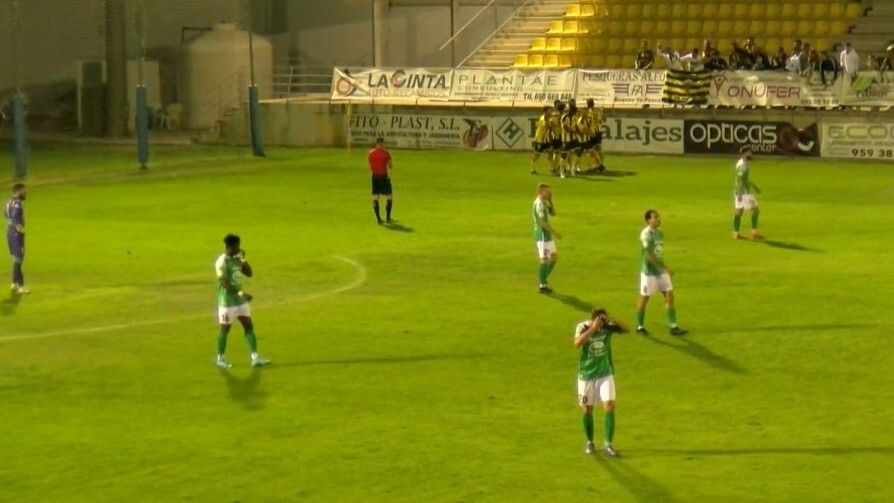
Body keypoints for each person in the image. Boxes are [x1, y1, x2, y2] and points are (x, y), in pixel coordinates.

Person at [574, 308, 630, 457]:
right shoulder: (583, 327)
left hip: (605, 374)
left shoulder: (607, 327)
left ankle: (608, 444)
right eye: (599, 320)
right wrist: (593, 328)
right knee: (587, 409)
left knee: (609, 405)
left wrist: (612, 319)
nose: (601, 324)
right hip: (586, 376)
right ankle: (590, 442)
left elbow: (626, 329)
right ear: (593, 319)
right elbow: (577, 343)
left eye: (602, 321)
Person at [215, 234, 270, 369]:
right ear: (230, 246)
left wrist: (243, 259)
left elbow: (249, 273)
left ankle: (255, 358)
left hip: (240, 302)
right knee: (225, 330)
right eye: (237, 246)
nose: (239, 248)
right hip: (227, 302)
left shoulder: (237, 258)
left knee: (249, 327)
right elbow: (224, 283)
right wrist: (241, 293)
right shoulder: (221, 261)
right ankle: (220, 358)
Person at [635, 210, 686, 336]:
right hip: (649, 272)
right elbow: (648, 255)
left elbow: (658, 252)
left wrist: (663, 269)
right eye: (655, 217)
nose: (658, 219)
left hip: (661, 271)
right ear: (648, 220)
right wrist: (665, 267)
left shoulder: (660, 233)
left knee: (669, 294)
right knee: (645, 298)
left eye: (658, 217)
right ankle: (640, 326)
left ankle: (673, 326)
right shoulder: (646, 234)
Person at [533, 183, 560, 293]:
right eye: (547, 191)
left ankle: (542, 280)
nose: (549, 193)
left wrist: (551, 200)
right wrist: (555, 233)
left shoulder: (545, 202)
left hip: (546, 235)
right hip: (542, 234)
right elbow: (542, 223)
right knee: (544, 260)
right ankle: (542, 284)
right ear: (540, 191)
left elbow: (553, 213)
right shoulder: (540, 204)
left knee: (554, 257)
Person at [733, 146, 763, 240]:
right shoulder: (742, 166)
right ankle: (754, 232)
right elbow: (740, 179)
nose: (751, 154)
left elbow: (745, 179)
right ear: (745, 153)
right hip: (744, 193)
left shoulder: (742, 163)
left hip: (739, 191)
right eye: (750, 152)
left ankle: (736, 233)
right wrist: (740, 193)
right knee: (756, 210)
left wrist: (755, 187)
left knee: (739, 212)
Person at [5, 183, 28, 294]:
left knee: (16, 259)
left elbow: (5, 214)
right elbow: (15, 217)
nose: (25, 193)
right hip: (16, 234)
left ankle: (14, 283)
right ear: (18, 191)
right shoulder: (17, 204)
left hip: (9, 232)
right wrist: (20, 229)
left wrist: (12, 224)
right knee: (19, 260)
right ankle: (21, 287)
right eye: (23, 191)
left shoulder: (9, 202)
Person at [368, 137, 394, 225]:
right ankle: (387, 218)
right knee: (389, 197)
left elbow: (370, 167)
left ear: (376, 143)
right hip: (383, 177)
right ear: (382, 143)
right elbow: (390, 166)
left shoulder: (370, 153)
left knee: (375, 197)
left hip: (374, 177)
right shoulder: (386, 153)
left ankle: (378, 219)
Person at [584, 98, 606, 172]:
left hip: (592, 132)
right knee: (598, 149)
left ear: (587, 104)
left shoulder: (589, 112)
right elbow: (602, 120)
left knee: (590, 149)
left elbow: (589, 122)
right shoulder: (598, 111)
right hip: (598, 131)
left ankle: (596, 165)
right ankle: (600, 164)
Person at [559, 100, 579, 178]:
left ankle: (572, 170)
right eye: (574, 112)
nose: (575, 113)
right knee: (564, 156)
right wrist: (574, 131)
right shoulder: (564, 117)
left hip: (573, 138)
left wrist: (577, 131)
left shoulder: (574, 117)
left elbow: (576, 126)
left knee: (575, 154)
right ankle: (562, 173)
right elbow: (566, 128)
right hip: (566, 139)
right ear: (570, 111)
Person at [531, 105, 553, 175]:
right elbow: (546, 126)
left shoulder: (548, 118)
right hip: (539, 140)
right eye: (550, 110)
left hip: (545, 139)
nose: (551, 112)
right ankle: (533, 168)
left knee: (551, 151)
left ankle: (552, 168)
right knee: (537, 155)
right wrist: (550, 124)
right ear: (546, 111)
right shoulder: (543, 118)